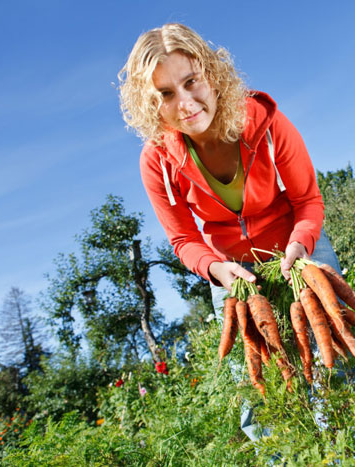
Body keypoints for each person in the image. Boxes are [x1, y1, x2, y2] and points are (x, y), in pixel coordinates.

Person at [118, 23, 341, 441]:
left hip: (296, 249)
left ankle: (349, 450)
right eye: (165, 94)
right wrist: (216, 270)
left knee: (333, 364)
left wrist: (300, 243)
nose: (185, 103)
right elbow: (183, 239)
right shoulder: (157, 161)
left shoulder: (264, 123)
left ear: (212, 74)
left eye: (190, 82)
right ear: (150, 104)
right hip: (231, 269)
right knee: (258, 392)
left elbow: (308, 201)